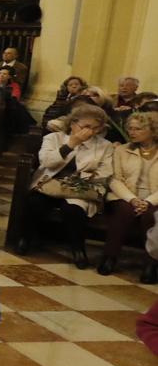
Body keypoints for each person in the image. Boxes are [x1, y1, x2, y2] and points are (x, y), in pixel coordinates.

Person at [15, 103, 113, 268]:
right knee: (35, 202)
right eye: (86, 126)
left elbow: (105, 172)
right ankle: (25, 239)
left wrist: (83, 179)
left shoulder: (105, 146)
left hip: (80, 189)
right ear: (73, 123)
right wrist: (71, 145)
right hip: (50, 183)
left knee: (73, 210)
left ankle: (78, 250)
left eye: (96, 128)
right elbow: (47, 162)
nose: (91, 132)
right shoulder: (53, 138)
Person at [100, 111, 158, 282]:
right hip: (125, 196)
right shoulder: (121, 150)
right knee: (124, 211)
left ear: (153, 130)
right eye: (130, 128)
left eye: (138, 129)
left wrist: (147, 202)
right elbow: (114, 179)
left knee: (151, 215)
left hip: (154, 198)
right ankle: (109, 257)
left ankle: (151, 264)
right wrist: (132, 199)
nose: (132, 132)